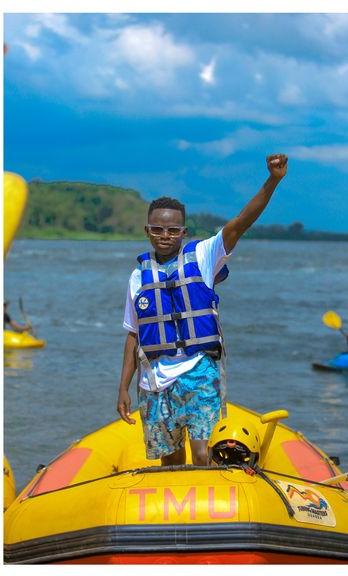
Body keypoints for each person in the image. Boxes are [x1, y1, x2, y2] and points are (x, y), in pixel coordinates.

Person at [117, 153, 288, 466]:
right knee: (169, 461)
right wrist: (123, 389)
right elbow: (132, 336)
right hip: (155, 380)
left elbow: (240, 223)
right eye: (157, 229)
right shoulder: (138, 277)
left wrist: (272, 181)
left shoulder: (205, 255)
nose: (164, 236)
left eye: (172, 230)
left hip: (199, 370)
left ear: (184, 232)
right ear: (147, 231)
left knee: (200, 453)